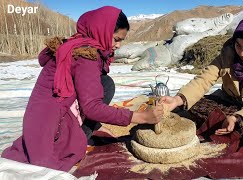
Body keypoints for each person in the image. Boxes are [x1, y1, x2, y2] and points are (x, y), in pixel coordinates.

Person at [2, 6, 163, 172]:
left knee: (105, 83)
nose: (118, 45)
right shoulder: (86, 56)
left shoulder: (76, 42)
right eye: (116, 39)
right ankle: (75, 136)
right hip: (48, 123)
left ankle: (78, 130)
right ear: (102, 30)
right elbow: (92, 108)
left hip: (39, 116)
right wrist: (142, 117)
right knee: (57, 156)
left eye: (121, 40)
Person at [160, 15, 243, 140]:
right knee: (192, 105)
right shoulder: (228, 54)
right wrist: (178, 99)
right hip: (233, 102)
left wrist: (237, 118)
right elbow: (204, 79)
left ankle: (231, 125)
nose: (241, 52)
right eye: (238, 45)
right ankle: (225, 124)